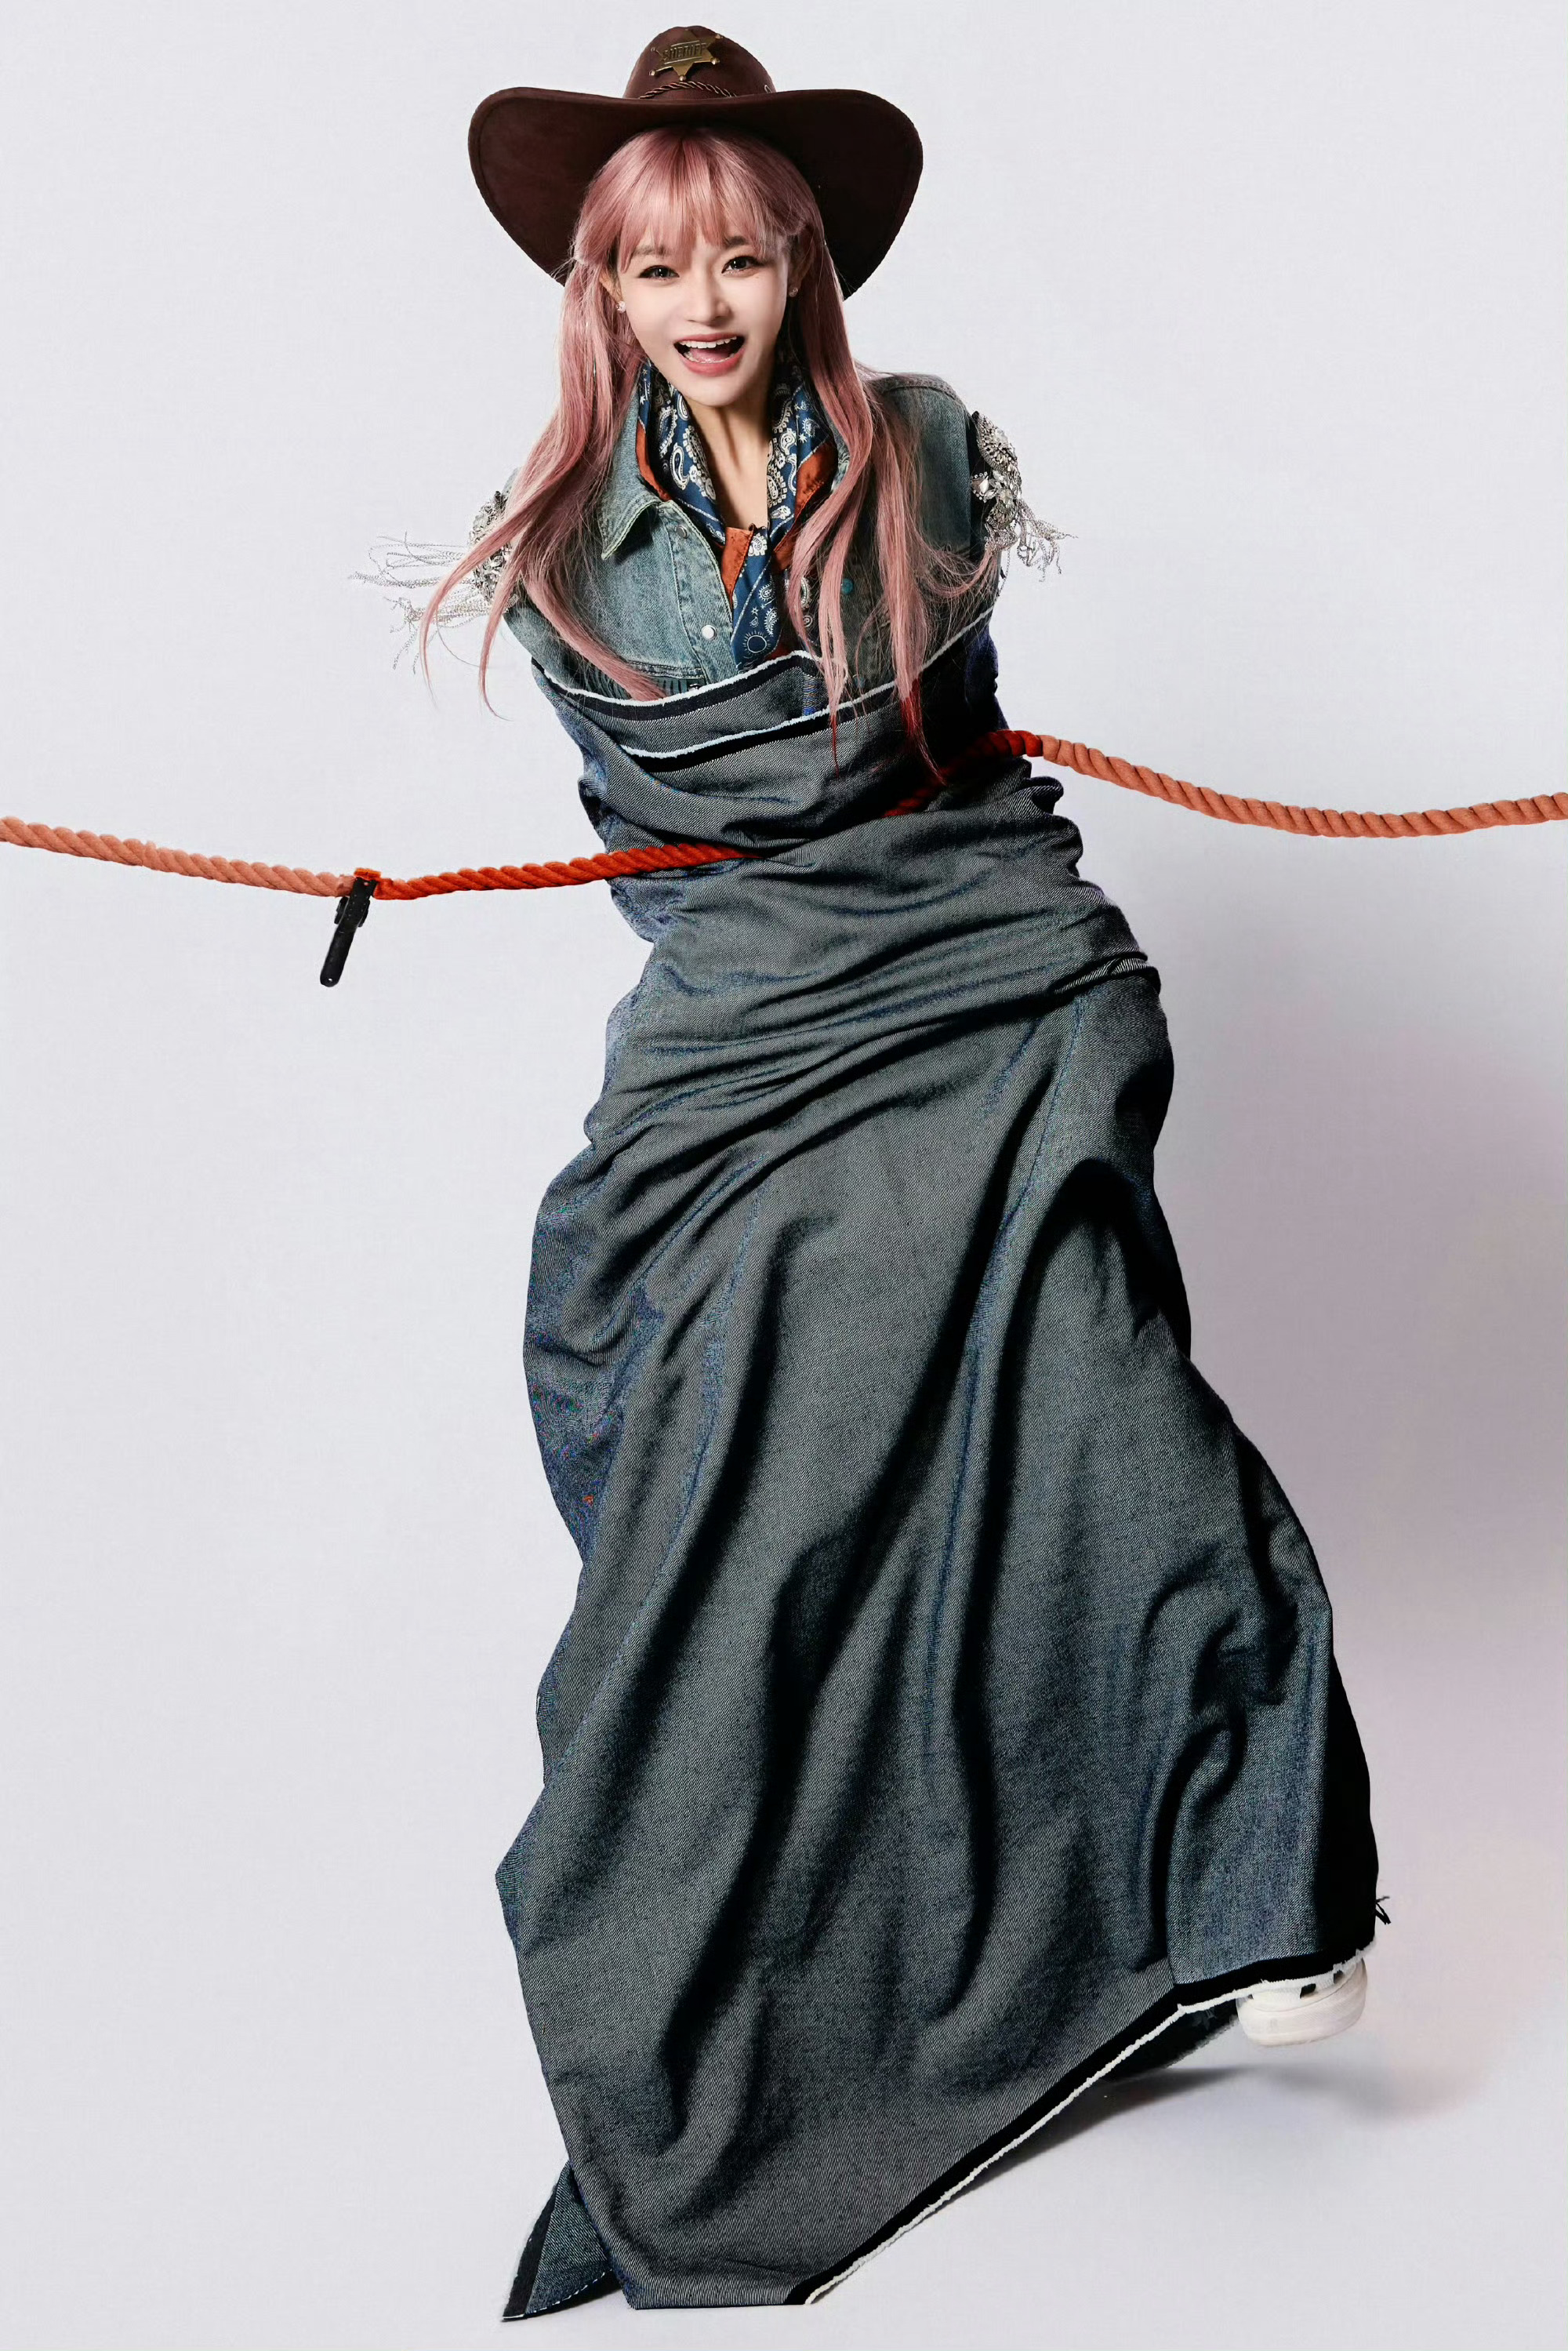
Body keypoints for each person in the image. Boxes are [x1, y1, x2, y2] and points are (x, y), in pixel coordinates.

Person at [410, 24, 1381, 2321]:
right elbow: (668, 866)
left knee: (1089, 1369)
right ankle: (801, 1930)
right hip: (761, 1002)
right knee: (659, 1350)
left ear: (806, 262)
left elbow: (956, 761)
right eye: (659, 269)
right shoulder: (554, 549)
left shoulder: (925, 448)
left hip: (988, 964)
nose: (707, 304)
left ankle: (1255, 1885)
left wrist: (955, 920)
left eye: (745, 256)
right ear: (601, 289)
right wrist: (774, 958)